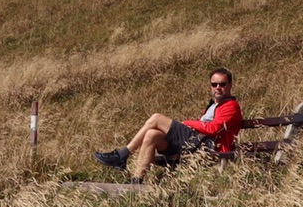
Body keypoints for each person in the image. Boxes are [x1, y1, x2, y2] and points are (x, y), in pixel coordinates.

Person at [95, 68, 244, 183]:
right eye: (214, 84)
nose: (218, 87)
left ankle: (123, 155)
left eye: (222, 84)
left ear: (230, 85)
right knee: (151, 134)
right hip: (196, 142)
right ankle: (136, 180)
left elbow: (214, 128)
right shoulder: (214, 105)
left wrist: (188, 123)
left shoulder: (231, 105)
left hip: (209, 145)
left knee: (156, 118)